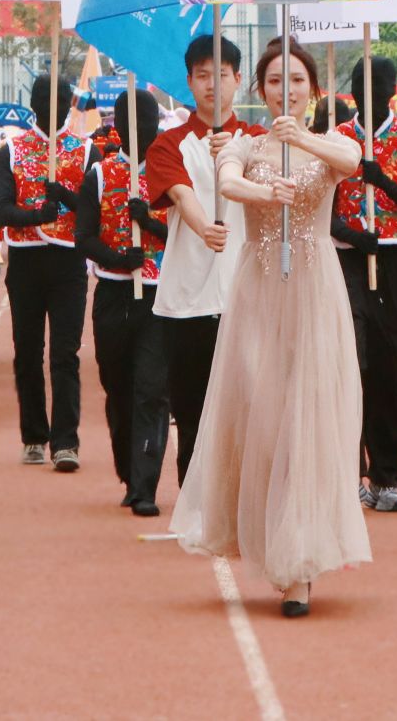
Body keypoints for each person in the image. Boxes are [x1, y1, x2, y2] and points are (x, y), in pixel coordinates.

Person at [171, 36, 367, 618]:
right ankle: (259, 533)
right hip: (258, 292)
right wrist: (265, 189)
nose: (287, 90)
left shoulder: (332, 142)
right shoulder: (245, 144)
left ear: (314, 89)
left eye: (297, 80)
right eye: (277, 81)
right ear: (261, 89)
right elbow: (228, 182)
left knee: (308, 417)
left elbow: (352, 164)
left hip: (314, 293)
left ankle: (298, 566)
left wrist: (299, 138)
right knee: (264, 412)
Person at [146, 34, 260, 486]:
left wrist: (232, 155)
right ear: (190, 82)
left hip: (247, 298)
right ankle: (194, 509)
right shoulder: (168, 144)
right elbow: (181, 194)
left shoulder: (258, 141)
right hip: (188, 302)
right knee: (192, 417)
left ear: (238, 79)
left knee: (249, 416)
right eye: (202, 75)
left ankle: (242, 508)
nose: (213, 84)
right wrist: (203, 228)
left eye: (222, 75)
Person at [329, 56, 397, 512]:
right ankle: (348, 473)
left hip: (394, 262)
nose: (368, 91)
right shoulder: (334, 139)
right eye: (360, 83)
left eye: (378, 84)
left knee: (392, 368)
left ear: (393, 90)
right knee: (351, 363)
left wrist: (381, 180)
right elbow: (323, 210)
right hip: (347, 260)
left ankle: (388, 476)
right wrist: (353, 236)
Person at [77, 91, 171, 517]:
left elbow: (190, 232)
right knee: (118, 387)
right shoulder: (99, 174)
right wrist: (117, 258)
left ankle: (145, 485)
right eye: (130, 121)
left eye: (145, 121)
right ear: (117, 126)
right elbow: (84, 237)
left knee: (151, 389)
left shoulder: (171, 173)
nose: (139, 130)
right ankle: (128, 471)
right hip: (114, 294)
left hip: (159, 296)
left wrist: (148, 222)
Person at [0, 75, 91, 471]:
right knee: (27, 351)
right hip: (26, 261)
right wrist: (36, 215)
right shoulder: (11, 151)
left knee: (65, 353)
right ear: (34, 105)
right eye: (49, 101)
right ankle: (34, 434)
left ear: (70, 105)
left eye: (63, 101)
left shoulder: (86, 151)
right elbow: (2, 208)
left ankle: (66, 442)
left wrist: (66, 197)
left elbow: (96, 210)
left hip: (69, 263)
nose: (57, 108)